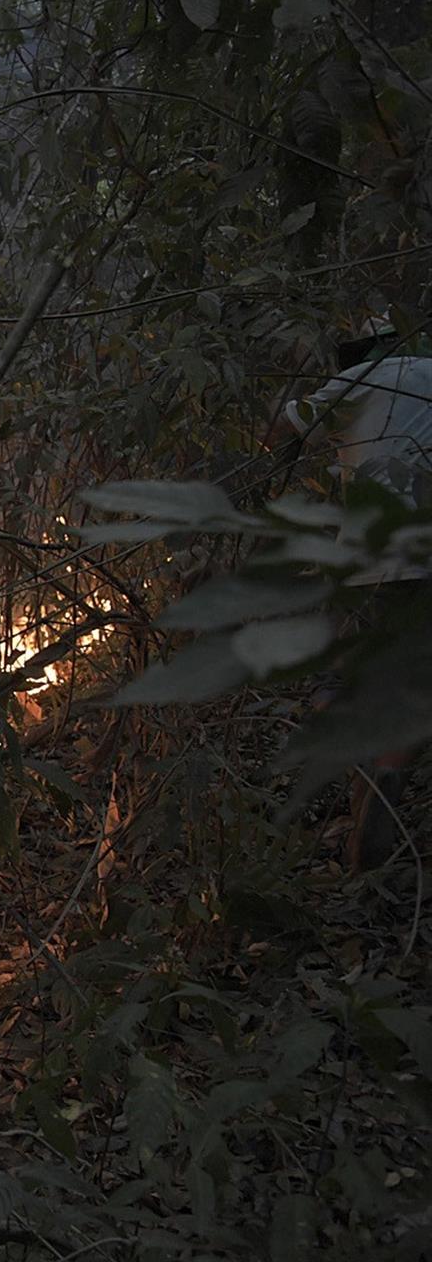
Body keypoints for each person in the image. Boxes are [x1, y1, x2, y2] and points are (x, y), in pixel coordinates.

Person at [277, 326, 432, 870]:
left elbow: (287, 424)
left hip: (365, 564)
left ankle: (359, 766)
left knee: (335, 681)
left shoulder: (357, 380)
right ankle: (387, 773)